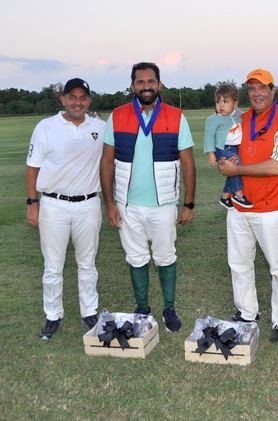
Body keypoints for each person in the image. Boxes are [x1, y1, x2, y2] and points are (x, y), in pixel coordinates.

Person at [100, 62, 196, 333]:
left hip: (164, 205)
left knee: (165, 256)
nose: (145, 86)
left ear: (159, 84)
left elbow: (188, 163)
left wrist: (188, 204)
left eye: (150, 81)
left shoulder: (176, 116)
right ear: (132, 86)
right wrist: (110, 204)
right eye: (140, 82)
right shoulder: (117, 116)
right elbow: (107, 162)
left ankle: (169, 309)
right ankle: (142, 309)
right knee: (136, 257)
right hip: (127, 205)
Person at [217, 68, 278, 343]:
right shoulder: (241, 119)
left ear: (273, 90)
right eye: (251, 89)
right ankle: (247, 313)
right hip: (239, 207)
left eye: (262, 88)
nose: (256, 93)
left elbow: (277, 165)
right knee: (238, 264)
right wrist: (224, 162)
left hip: (270, 208)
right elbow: (227, 151)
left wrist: (238, 169)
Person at [26, 78, 106, 340]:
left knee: (87, 263)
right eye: (72, 97)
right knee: (53, 266)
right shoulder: (46, 127)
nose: (78, 102)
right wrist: (32, 203)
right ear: (62, 99)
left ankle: (89, 311)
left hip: (88, 203)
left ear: (89, 101)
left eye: (83, 97)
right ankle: (52, 315)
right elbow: (33, 167)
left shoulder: (100, 127)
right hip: (53, 204)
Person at [204, 83, 252, 209]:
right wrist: (211, 154)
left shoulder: (238, 114)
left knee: (232, 171)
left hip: (236, 148)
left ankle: (225, 196)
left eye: (225, 101)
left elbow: (249, 116)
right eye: (218, 101)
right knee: (235, 164)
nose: (221, 105)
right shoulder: (213, 120)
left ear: (235, 104)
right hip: (223, 148)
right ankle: (238, 194)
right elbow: (209, 137)